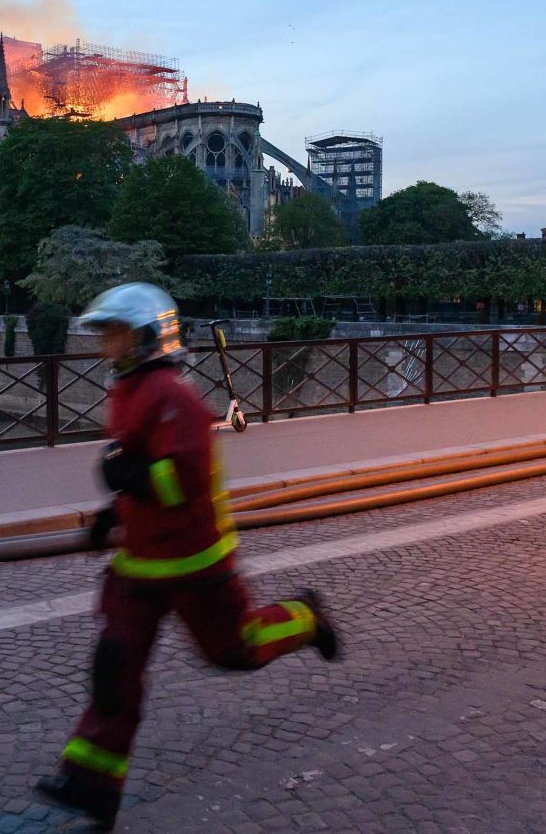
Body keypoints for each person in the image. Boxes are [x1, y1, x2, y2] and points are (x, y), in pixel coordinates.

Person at [34, 283, 339, 830]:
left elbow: (186, 478)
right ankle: (93, 785)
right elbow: (143, 466)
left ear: (148, 337)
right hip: (139, 563)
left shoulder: (172, 396)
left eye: (116, 332)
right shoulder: (130, 389)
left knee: (234, 650)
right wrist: (119, 507)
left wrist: (132, 481)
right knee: (115, 669)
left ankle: (305, 618)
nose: (107, 343)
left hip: (195, 561)